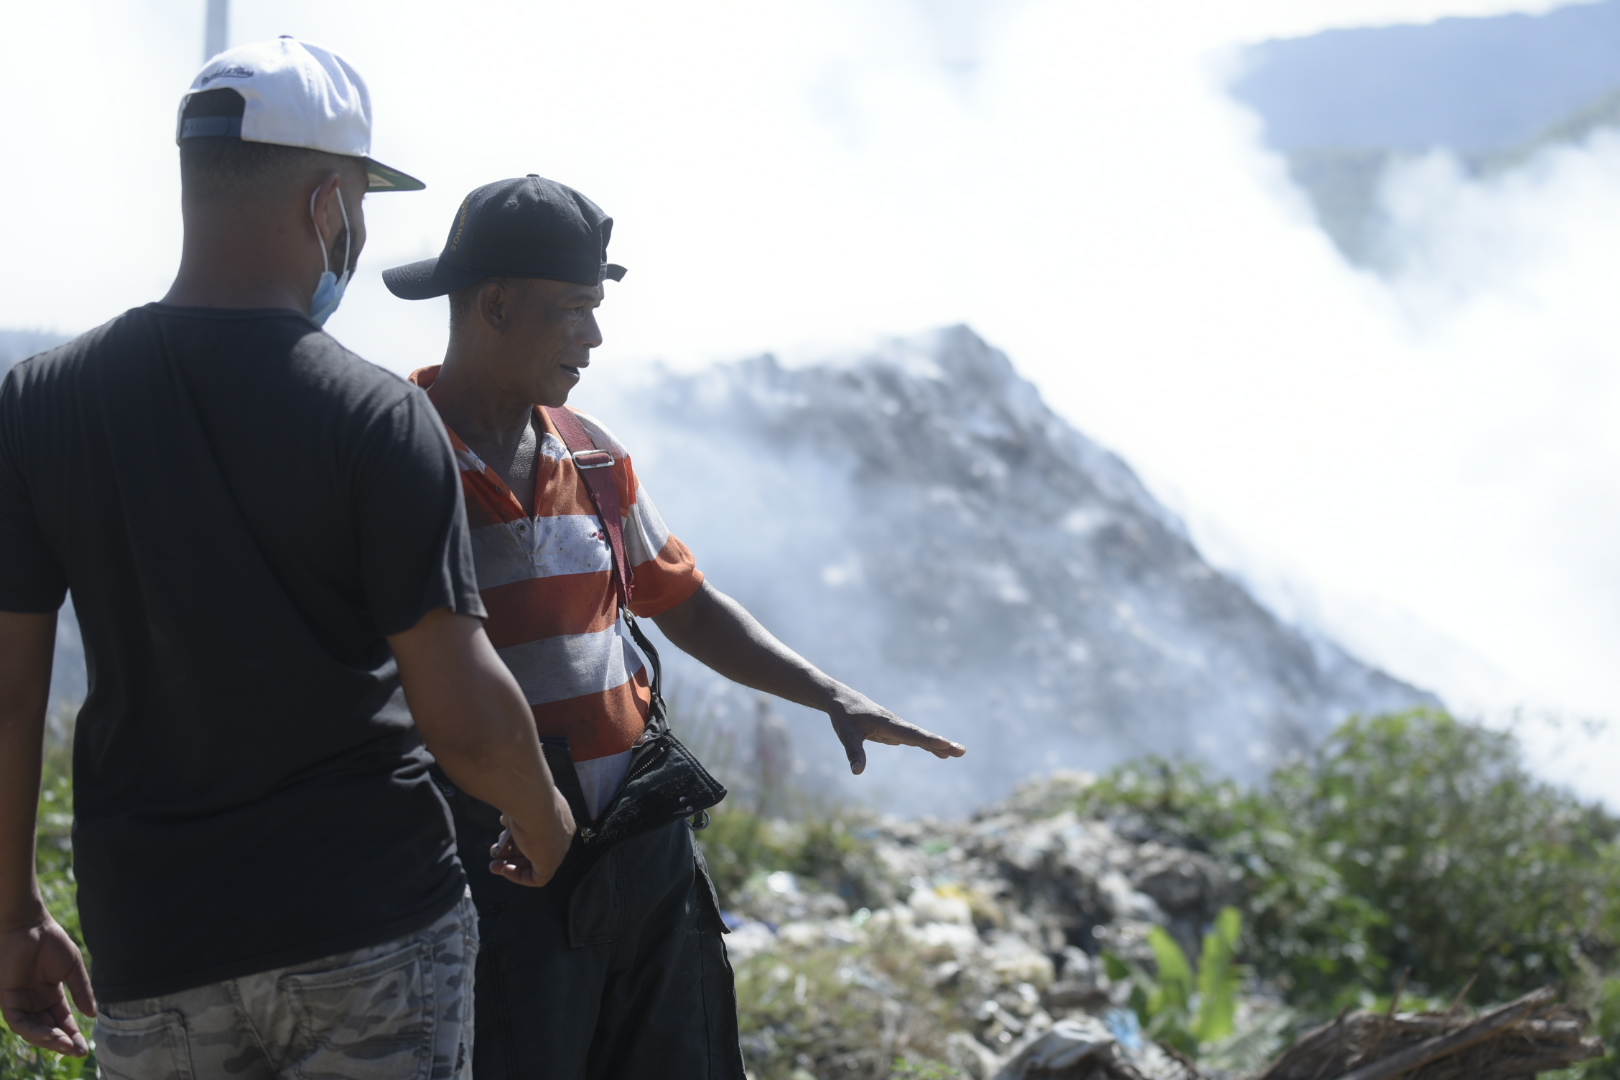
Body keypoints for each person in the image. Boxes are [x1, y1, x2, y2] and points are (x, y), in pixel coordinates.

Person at [0, 41, 574, 1080]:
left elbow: (8, 698)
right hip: (367, 924)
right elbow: (463, 714)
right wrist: (544, 818)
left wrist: (13, 914)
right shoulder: (378, 416)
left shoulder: (40, 402)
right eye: (360, 201)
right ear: (325, 205)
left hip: (155, 938)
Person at [382, 174, 968, 1079]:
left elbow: (683, 601)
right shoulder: (394, 457)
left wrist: (829, 695)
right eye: (575, 309)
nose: (594, 336)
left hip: (642, 844)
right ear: (494, 305)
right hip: (498, 859)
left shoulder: (591, 452)